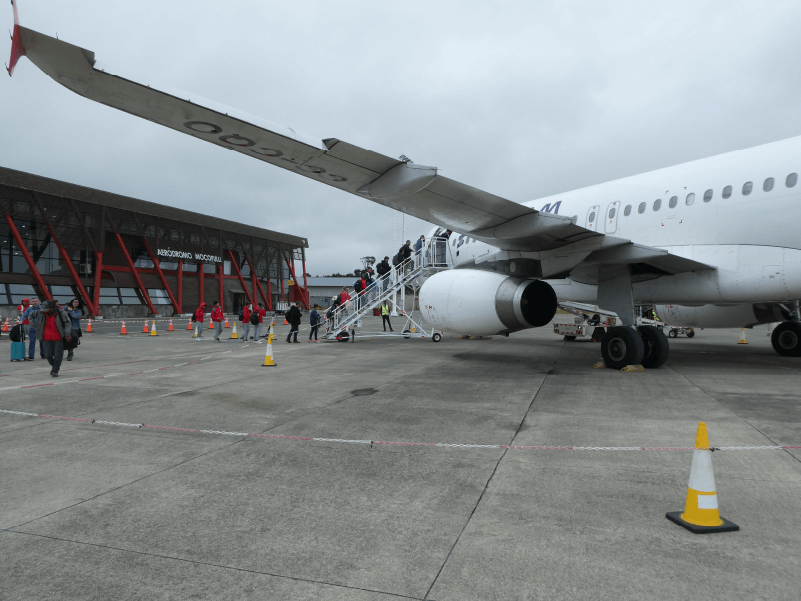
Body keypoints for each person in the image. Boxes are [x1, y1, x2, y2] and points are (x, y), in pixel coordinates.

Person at [28, 300, 72, 377]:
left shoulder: (60, 312)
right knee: (47, 355)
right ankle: (55, 366)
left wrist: (67, 334)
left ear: (51, 307)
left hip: (58, 337)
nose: (45, 311)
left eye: (47, 309)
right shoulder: (40, 312)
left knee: (58, 356)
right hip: (45, 337)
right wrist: (35, 325)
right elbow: (30, 315)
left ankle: (55, 370)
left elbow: (67, 322)